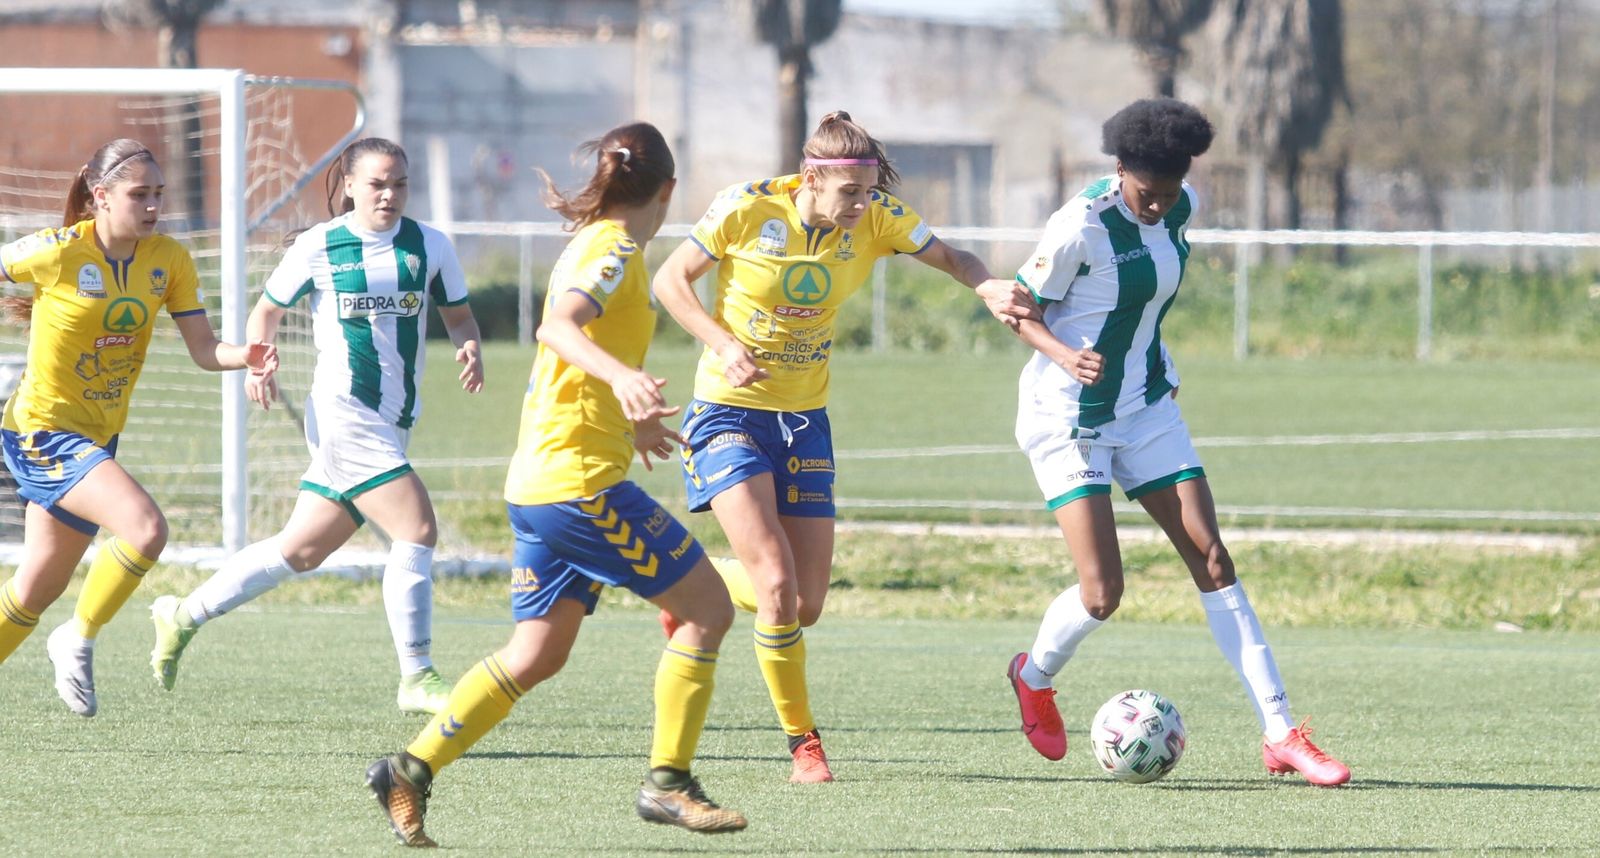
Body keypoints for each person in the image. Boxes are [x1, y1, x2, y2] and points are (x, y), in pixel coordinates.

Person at [365, 122, 746, 848]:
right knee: (707, 609)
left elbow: (576, 357)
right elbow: (559, 329)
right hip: (578, 486)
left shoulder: (606, 246)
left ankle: (409, 769)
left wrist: (631, 422)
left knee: (537, 653)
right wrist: (626, 378)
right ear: (668, 191)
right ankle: (669, 785)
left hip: (545, 481)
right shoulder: (612, 248)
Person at [651, 111, 1036, 783]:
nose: (861, 207)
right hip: (727, 412)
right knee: (774, 585)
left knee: (805, 606)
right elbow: (669, 281)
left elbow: (953, 257)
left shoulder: (879, 217)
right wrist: (723, 343)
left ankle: (690, 588)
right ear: (810, 179)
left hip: (804, 418)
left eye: (867, 193)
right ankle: (805, 745)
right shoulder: (746, 208)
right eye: (848, 194)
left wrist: (985, 285)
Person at [1002, 98, 1351, 786]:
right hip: (1067, 416)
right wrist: (1064, 354)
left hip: (1147, 409)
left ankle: (1282, 734)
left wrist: (1150, 369)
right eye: (1145, 193)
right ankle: (1032, 675)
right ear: (1120, 170)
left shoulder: (1183, 203)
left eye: (1167, 193)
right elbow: (1020, 306)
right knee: (1102, 594)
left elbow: (1144, 303)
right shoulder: (1081, 224)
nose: (1158, 206)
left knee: (1214, 560)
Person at [147, 137, 484, 716]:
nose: (389, 194)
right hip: (341, 411)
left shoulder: (430, 246)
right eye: (377, 183)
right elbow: (268, 310)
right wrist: (258, 359)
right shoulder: (320, 246)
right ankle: (417, 676)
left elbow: (458, 315)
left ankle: (182, 614)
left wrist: (470, 346)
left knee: (300, 551)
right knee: (417, 530)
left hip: (392, 420)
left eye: (399, 183)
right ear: (349, 184)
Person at [0, 138, 276, 717]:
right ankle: (77, 638)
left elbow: (204, 350)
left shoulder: (168, 260)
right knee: (146, 529)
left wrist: (244, 355)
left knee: (32, 591)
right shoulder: (56, 251)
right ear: (100, 197)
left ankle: (65, 632)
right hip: (42, 432)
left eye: (158, 194)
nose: (152, 206)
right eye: (138, 195)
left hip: (98, 436)